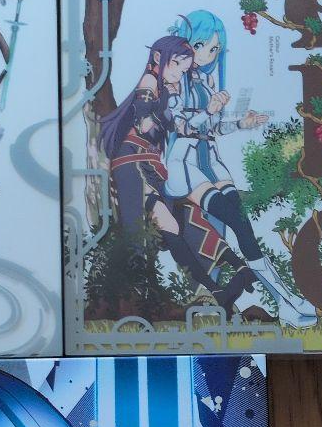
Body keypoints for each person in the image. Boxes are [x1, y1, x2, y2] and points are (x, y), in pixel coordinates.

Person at [165, 10, 314, 327]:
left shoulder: (207, 82)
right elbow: (182, 126)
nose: (207, 54)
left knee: (241, 224)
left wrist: (242, 123)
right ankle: (284, 301)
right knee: (235, 220)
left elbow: (214, 127)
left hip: (211, 161)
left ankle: (284, 301)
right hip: (186, 165)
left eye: (214, 49)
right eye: (201, 45)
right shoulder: (174, 81)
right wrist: (209, 110)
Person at [99, 36, 257, 313]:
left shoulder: (169, 88)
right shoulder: (150, 82)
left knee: (186, 217)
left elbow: (184, 127)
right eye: (176, 65)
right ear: (158, 58)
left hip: (151, 162)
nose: (178, 74)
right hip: (132, 161)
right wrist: (181, 111)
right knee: (165, 224)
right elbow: (146, 125)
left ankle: (235, 272)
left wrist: (213, 115)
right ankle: (210, 288)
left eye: (183, 70)